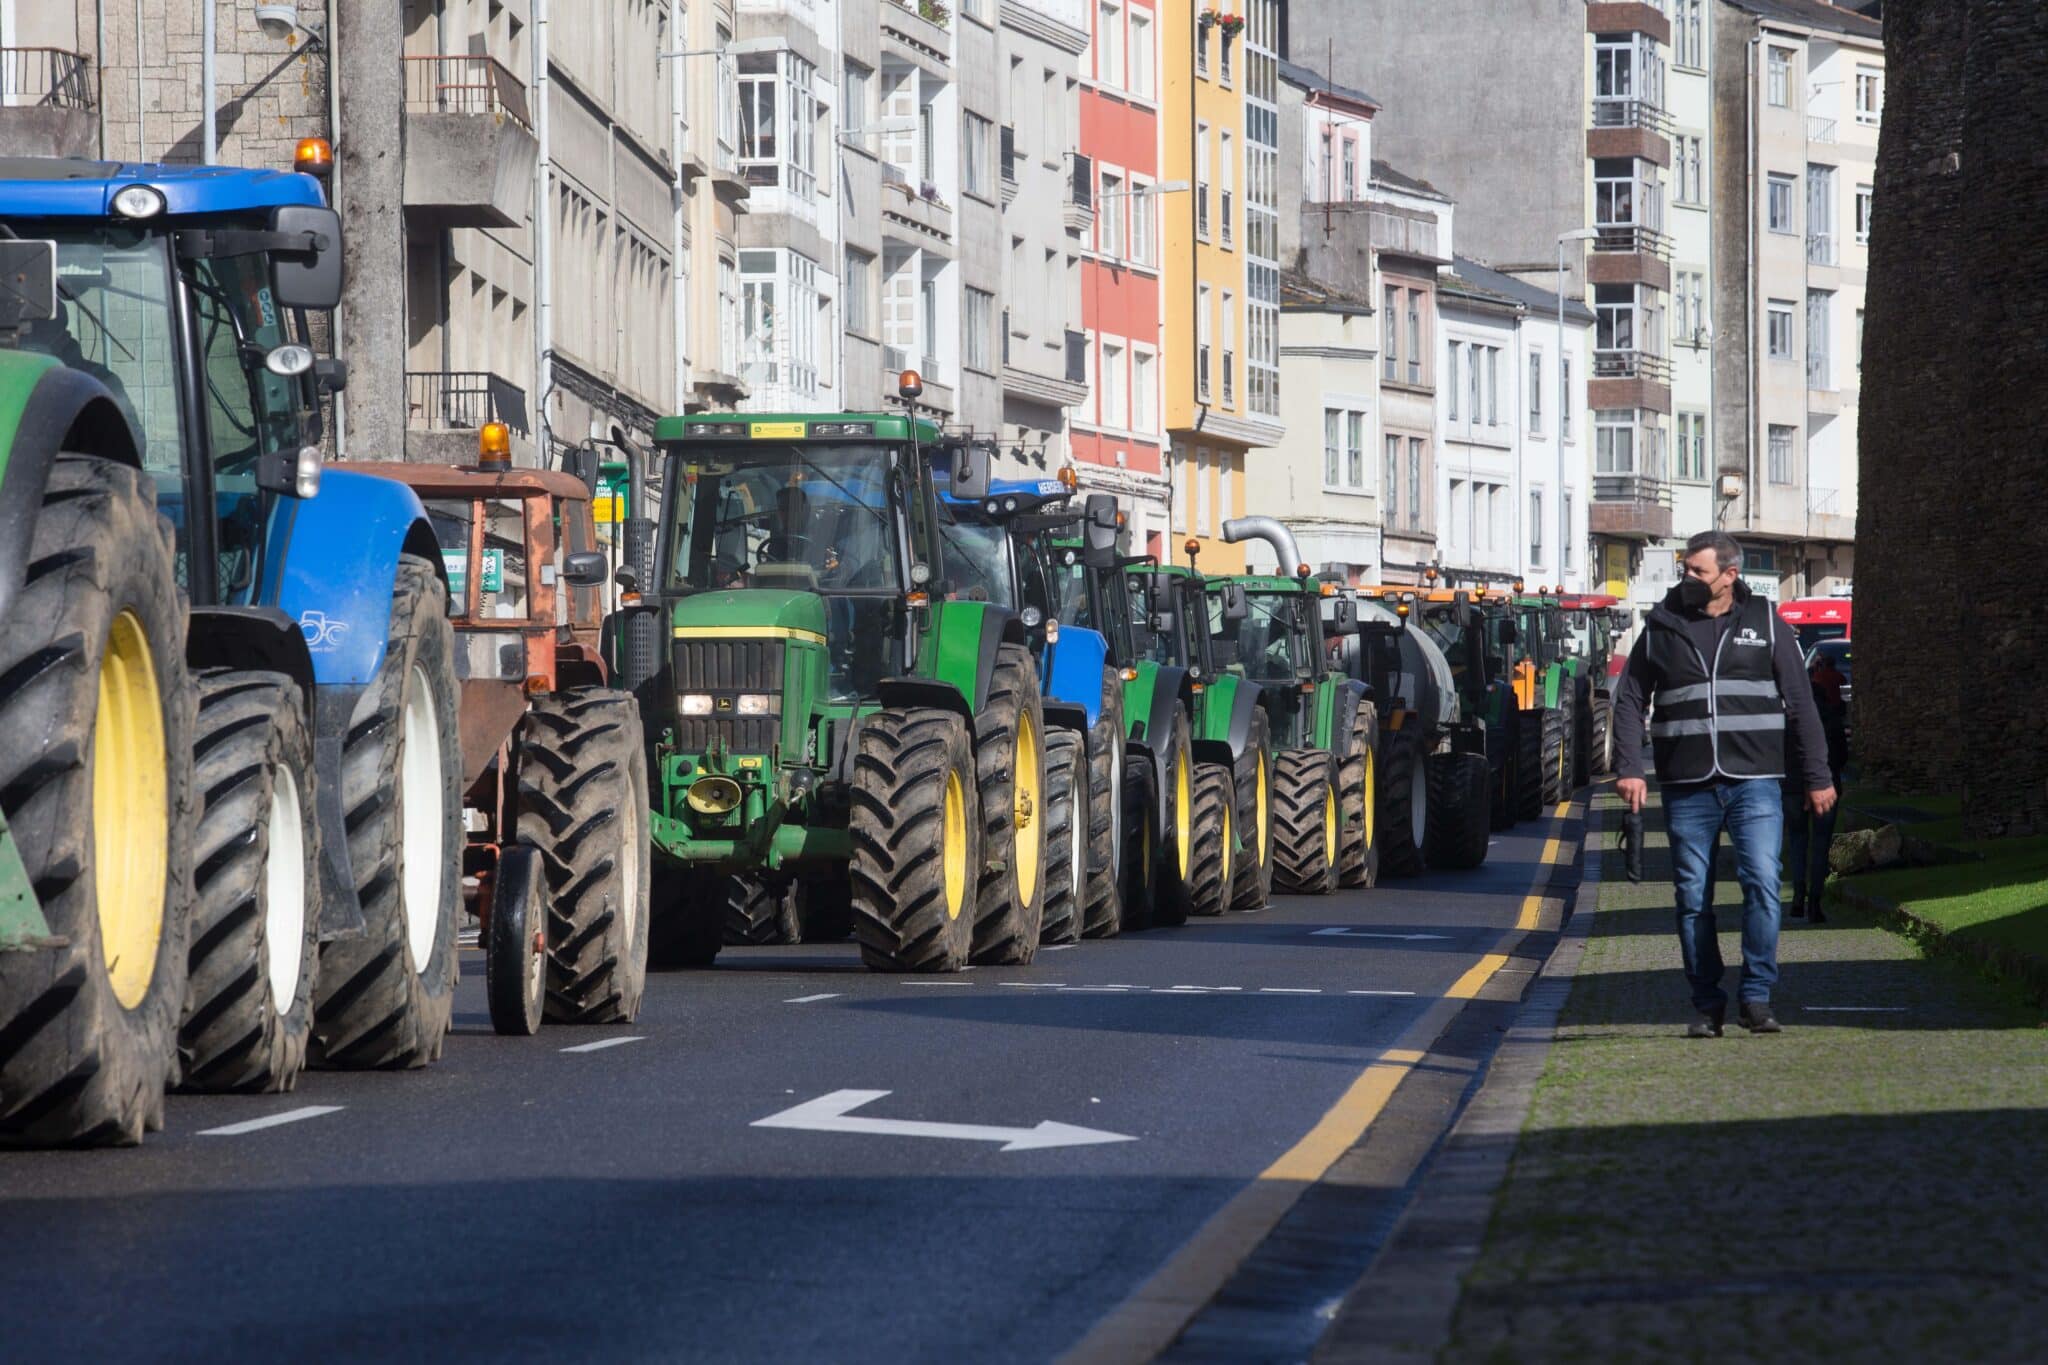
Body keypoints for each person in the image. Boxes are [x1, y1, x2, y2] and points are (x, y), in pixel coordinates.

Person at [1612, 531, 1836, 1037]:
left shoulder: (1766, 625)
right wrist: (1629, 767)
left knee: (1762, 882)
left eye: (1698, 571)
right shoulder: (1662, 626)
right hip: (1687, 785)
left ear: (1730, 576)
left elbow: (1800, 704)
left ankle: (1756, 996)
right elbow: (1629, 700)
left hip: (1754, 782)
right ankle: (1706, 1004)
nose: (1687, 579)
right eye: (1685, 570)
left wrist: (1818, 776)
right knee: (1692, 896)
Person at [1785, 651, 1850, 921]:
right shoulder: (1830, 719)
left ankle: (1799, 896)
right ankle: (1815, 901)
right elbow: (1841, 754)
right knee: (1820, 844)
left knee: (1798, 842)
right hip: (1824, 785)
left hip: (1792, 785)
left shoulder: (1787, 721)